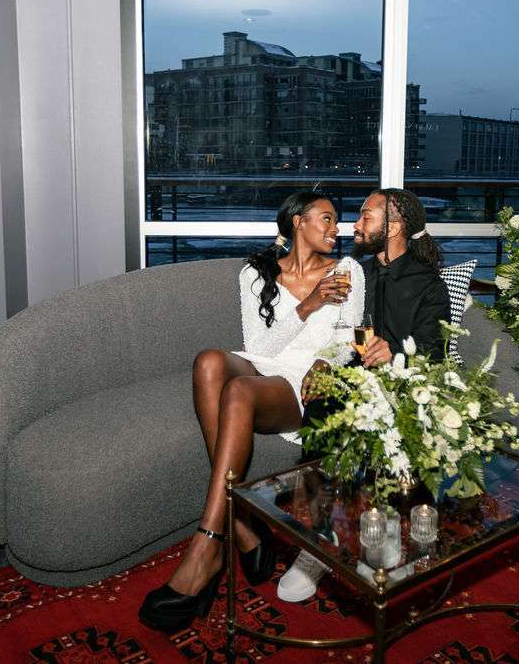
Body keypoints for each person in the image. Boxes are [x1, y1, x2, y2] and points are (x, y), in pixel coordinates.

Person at [139, 191, 365, 632]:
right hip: (267, 363)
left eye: (337, 221)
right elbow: (260, 348)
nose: (336, 228)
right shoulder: (255, 272)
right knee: (209, 360)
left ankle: (207, 547)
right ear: (297, 222)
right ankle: (240, 520)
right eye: (326, 218)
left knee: (239, 390)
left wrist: (327, 361)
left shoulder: (348, 270)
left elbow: (345, 343)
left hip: (307, 380)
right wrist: (309, 303)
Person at [277, 187, 451, 603]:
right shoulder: (354, 274)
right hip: (351, 381)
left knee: (399, 420)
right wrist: (322, 362)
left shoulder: (429, 285)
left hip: (402, 386)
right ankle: (316, 542)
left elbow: (435, 351)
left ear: (395, 226)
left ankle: (384, 537)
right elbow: (330, 332)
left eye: (366, 216)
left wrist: (395, 353)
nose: (354, 224)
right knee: (321, 399)